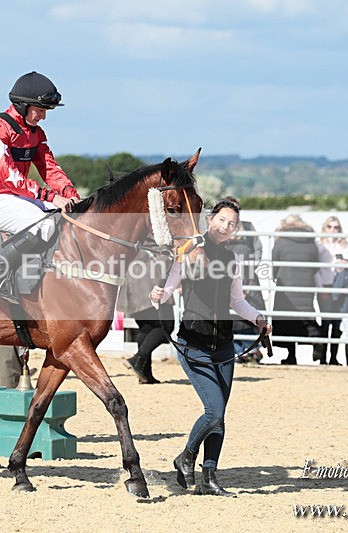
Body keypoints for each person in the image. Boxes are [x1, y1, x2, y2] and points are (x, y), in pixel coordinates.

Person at [150, 200, 270, 497]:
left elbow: (236, 300)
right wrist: (157, 294)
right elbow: (167, 291)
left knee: (220, 416)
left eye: (232, 224)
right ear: (211, 220)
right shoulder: (189, 251)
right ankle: (186, 457)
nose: (226, 227)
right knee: (213, 410)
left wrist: (257, 317)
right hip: (194, 344)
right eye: (222, 220)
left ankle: (209, 477)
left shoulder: (232, 258)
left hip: (224, 347)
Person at [0, 71, 80, 303]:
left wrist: (70, 194)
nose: (43, 117)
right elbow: (10, 177)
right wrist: (50, 196)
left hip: (18, 198)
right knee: (44, 226)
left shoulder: (36, 134)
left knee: (64, 217)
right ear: (22, 105)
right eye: (40, 110)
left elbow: (49, 168)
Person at [270, 214, 320, 365]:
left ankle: (292, 355)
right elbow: (316, 265)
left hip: (286, 283)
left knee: (286, 320)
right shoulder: (311, 241)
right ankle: (317, 339)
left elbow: (274, 262)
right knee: (306, 315)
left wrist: (274, 276)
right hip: (306, 284)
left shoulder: (281, 241)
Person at [119, 250, 174, 384]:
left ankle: (145, 373)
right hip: (151, 283)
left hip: (133, 285)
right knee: (166, 327)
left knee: (146, 328)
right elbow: (163, 258)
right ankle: (138, 359)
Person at [222, 196, 266, 363]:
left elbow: (258, 250)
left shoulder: (247, 226)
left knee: (250, 313)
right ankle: (238, 350)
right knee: (231, 316)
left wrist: (250, 271)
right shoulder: (221, 228)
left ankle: (251, 349)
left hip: (247, 275)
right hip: (226, 274)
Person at [314, 216, 348, 365]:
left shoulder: (345, 246)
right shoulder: (319, 246)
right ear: (324, 228)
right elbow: (316, 270)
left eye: (336, 227)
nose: (333, 230)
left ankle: (333, 357)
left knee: (336, 323)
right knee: (326, 322)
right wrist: (320, 288)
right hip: (326, 286)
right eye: (330, 227)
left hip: (340, 287)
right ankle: (322, 357)